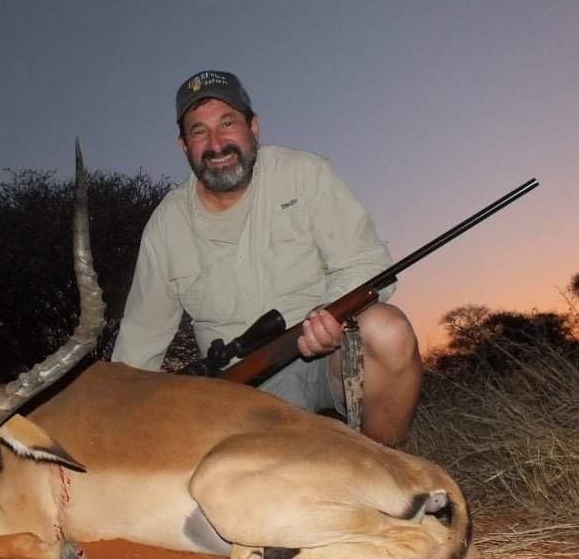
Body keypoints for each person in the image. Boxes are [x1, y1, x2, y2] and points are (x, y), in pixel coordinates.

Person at [111, 70, 422, 446]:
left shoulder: (303, 173)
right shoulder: (166, 224)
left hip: (322, 356)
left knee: (387, 331)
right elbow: (141, 338)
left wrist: (328, 316)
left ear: (254, 127)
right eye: (198, 131)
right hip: (235, 387)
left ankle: (383, 468)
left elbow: (368, 265)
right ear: (183, 145)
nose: (216, 143)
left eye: (228, 123)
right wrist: (114, 417)